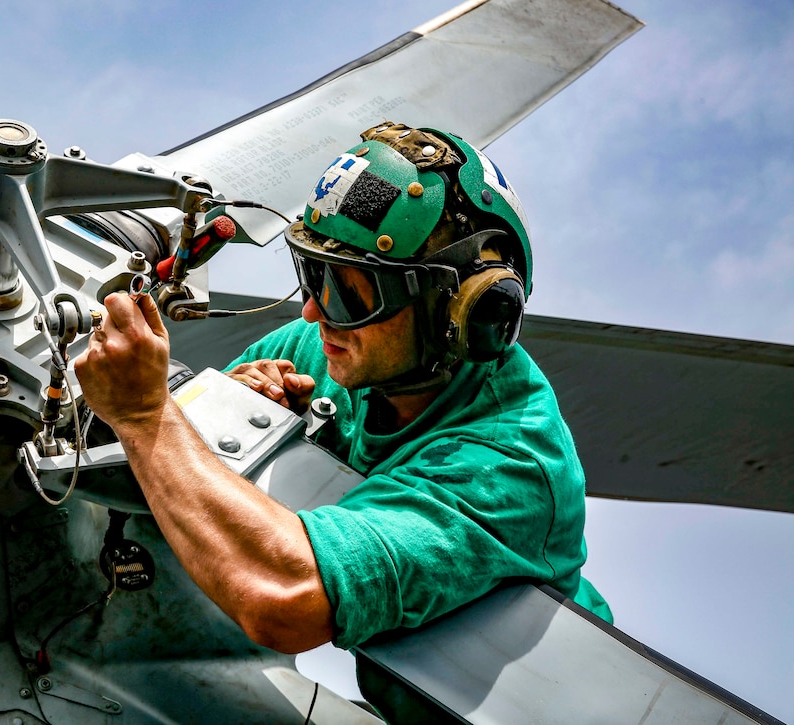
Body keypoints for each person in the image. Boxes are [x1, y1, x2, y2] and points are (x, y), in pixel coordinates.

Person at [73, 122, 610, 655]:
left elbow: (284, 602)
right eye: (314, 275)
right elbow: (176, 464)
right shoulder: (330, 343)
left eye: (351, 292)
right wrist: (220, 407)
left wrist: (148, 416)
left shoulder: (510, 465)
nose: (312, 312)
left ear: (459, 311)